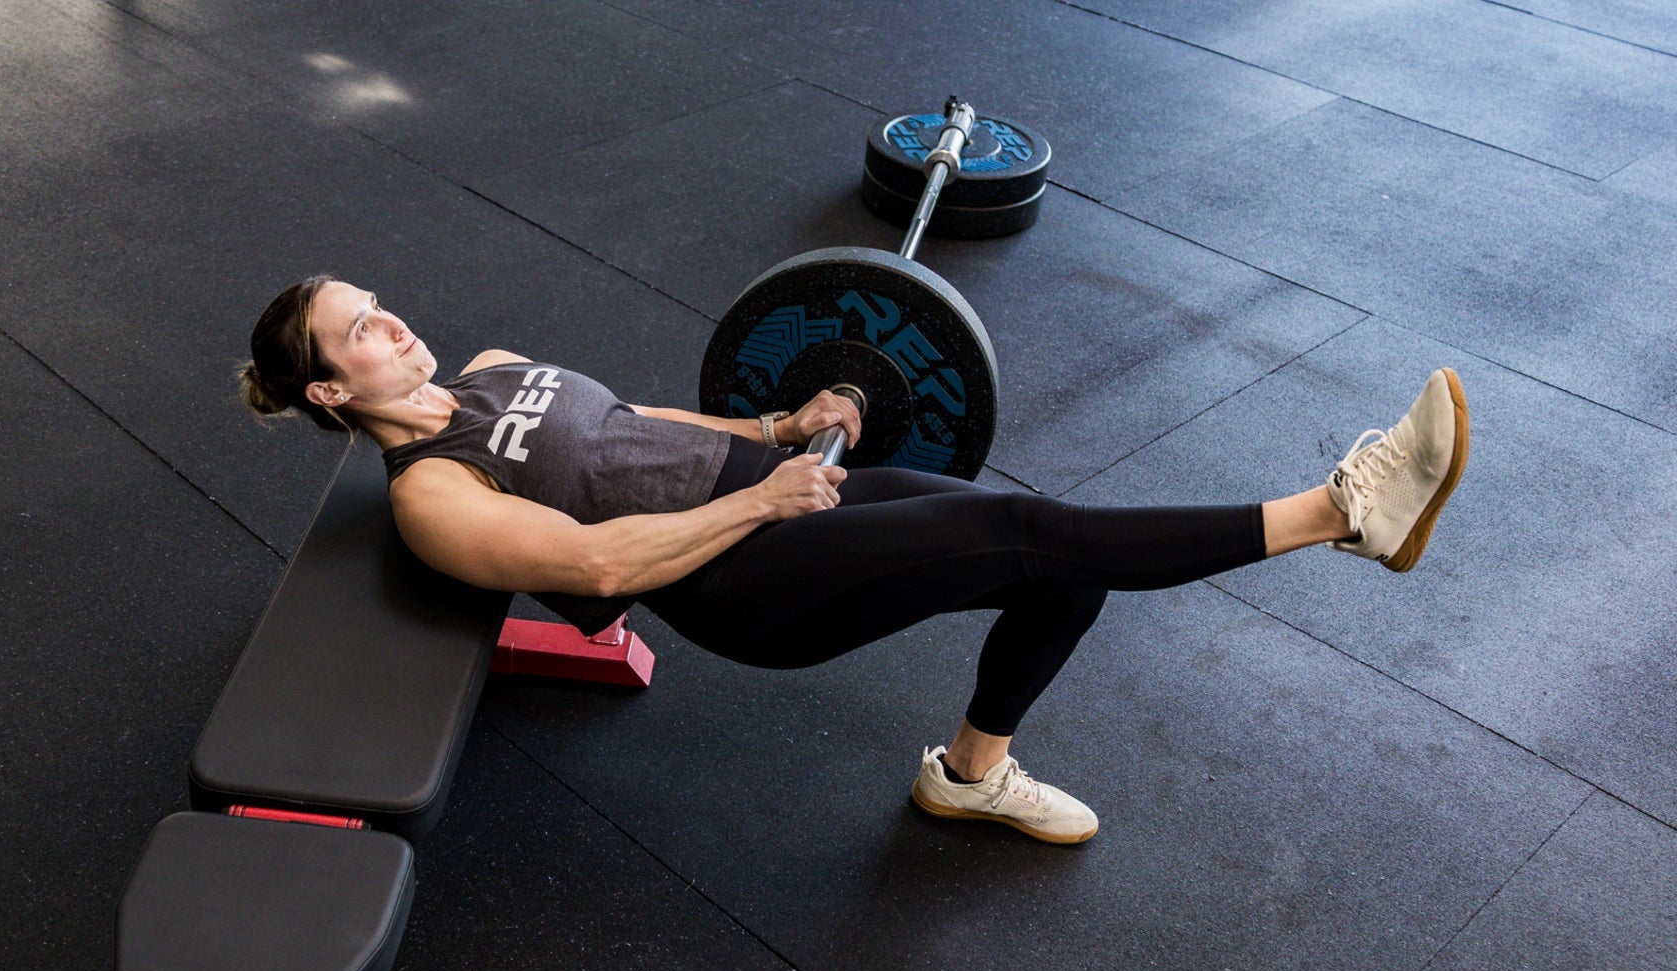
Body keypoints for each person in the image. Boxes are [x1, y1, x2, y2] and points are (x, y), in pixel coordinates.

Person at [238, 275, 1469, 845]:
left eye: (379, 300)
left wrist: (773, 428)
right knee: (1039, 532)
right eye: (362, 330)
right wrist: (764, 501)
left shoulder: (492, 366)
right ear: (331, 387)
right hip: (739, 581)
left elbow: (635, 426)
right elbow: (599, 569)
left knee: (1064, 568)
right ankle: (1341, 512)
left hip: (771, 493)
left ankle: (972, 775)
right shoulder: (434, 496)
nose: (392, 317)